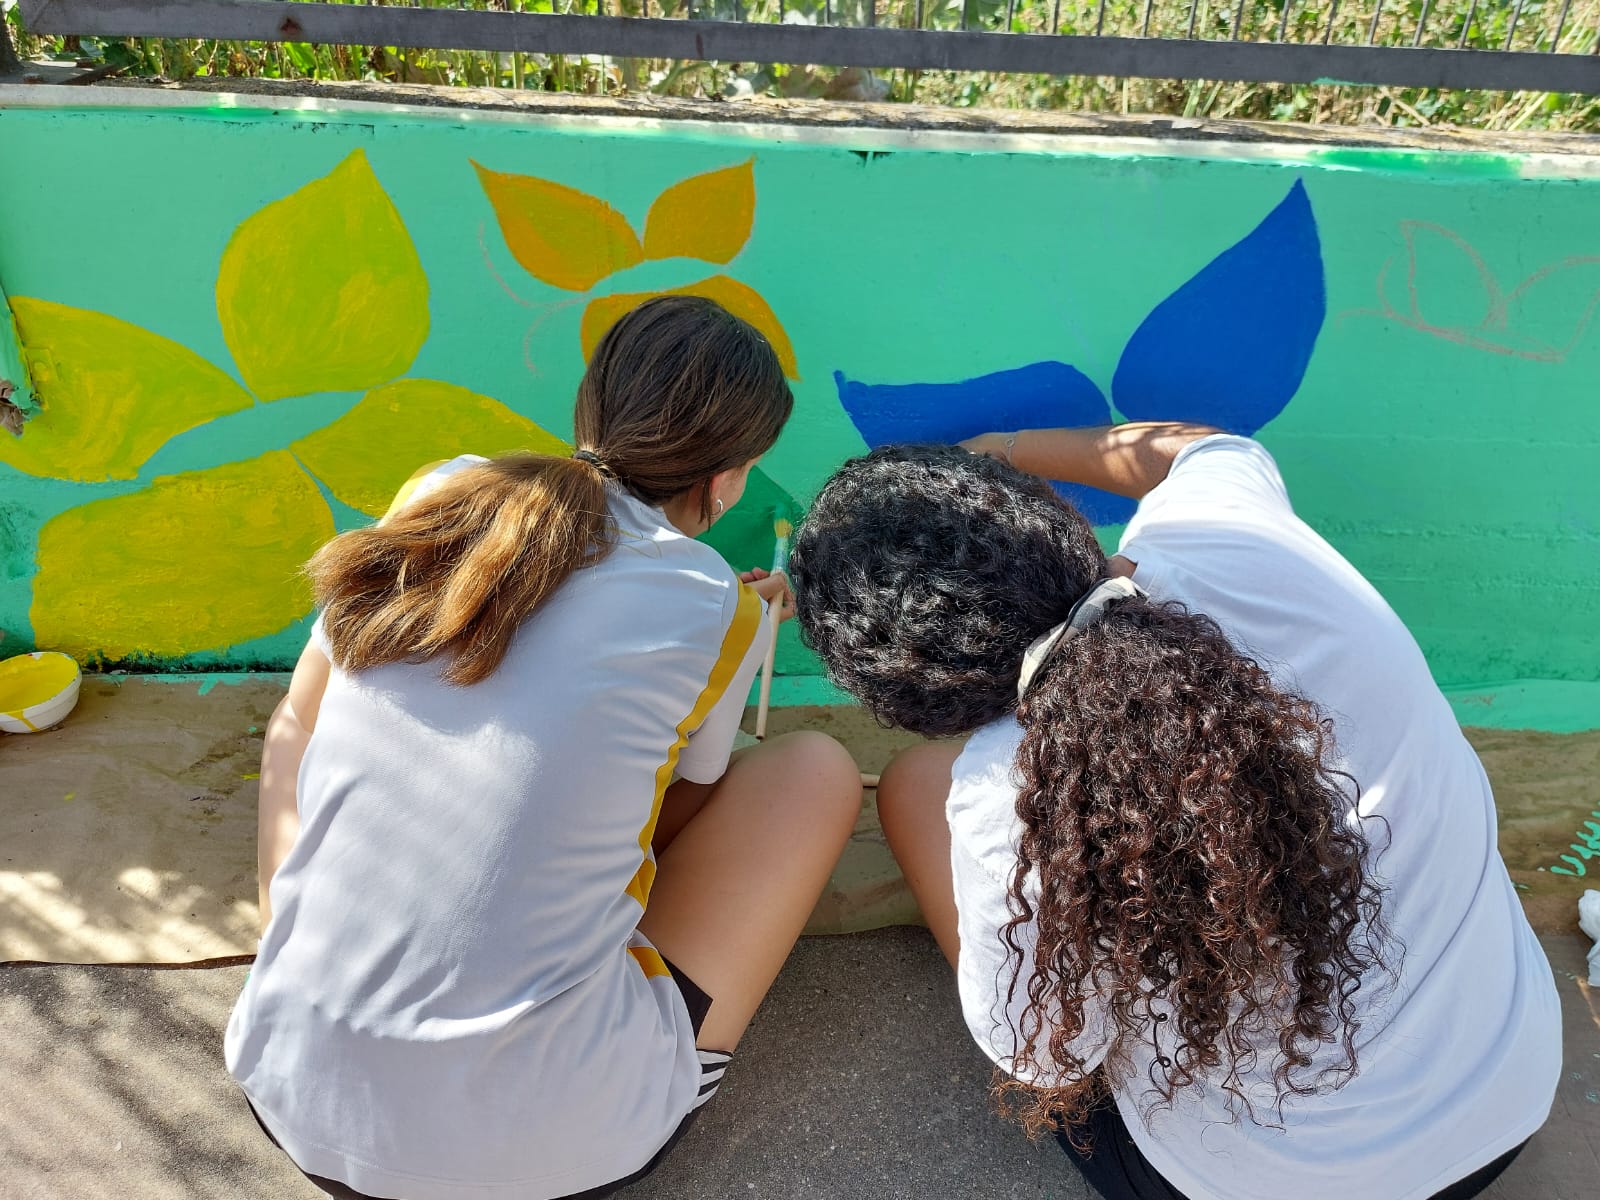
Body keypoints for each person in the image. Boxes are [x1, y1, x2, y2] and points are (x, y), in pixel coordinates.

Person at [788, 424, 1560, 1200]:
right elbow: (1204, 447)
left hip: (1279, 1184)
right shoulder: (1239, 533)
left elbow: (1048, 1057)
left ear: (902, 693)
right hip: (1509, 1097)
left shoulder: (1005, 795)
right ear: (1048, 516)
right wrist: (1003, 448)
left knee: (915, 791)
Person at [226, 296, 862, 1200]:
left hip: (286, 1075)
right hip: (554, 1146)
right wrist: (743, 627)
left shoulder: (438, 491)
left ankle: (296, 954)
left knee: (309, 726)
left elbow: (302, 722)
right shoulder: (713, 600)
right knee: (813, 770)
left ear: (588, 408)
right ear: (726, 483)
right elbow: (680, 806)